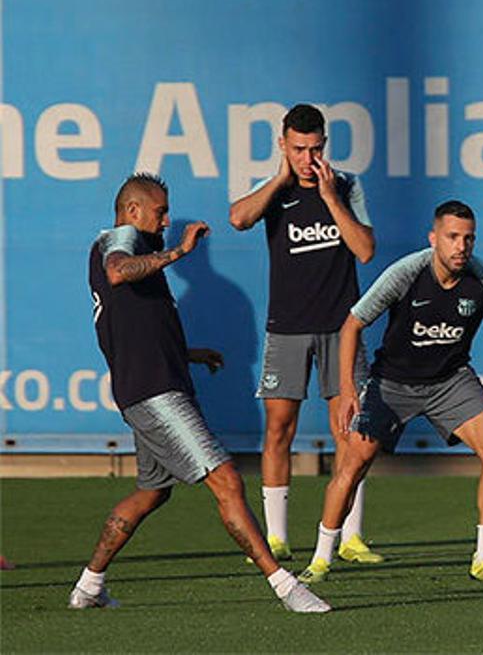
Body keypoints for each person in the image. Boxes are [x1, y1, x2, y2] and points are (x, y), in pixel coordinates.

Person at [72, 173, 329, 613]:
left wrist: (187, 353)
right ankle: (286, 586)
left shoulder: (142, 252)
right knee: (226, 480)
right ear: (133, 212)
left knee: (153, 492)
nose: (167, 220)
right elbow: (118, 272)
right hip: (155, 393)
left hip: (152, 386)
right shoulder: (121, 240)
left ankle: (89, 586)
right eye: (160, 212)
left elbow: (135, 324)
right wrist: (179, 251)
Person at [298, 200, 483, 583]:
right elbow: (352, 324)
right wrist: (348, 389)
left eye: (468, 238)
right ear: (434, 238)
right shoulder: (406, 273)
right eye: (453, 237)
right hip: (392, 383)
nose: (461, 247)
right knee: (352, 465)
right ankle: (321, 558)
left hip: (450, 380)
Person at [229, 103, 381, 565]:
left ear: (326, 146)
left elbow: (366, 251)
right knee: (279, 429)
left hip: (341, 327)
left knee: (350, 431)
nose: (308, 158)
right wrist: (279, 180)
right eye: (298, 149)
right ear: (283, 145)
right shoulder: (276, 189)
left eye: (315, 148)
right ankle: (276, 536)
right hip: (288, 327)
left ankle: (350, 537)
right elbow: (238, 218)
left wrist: (332, 198)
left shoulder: (348, 185)